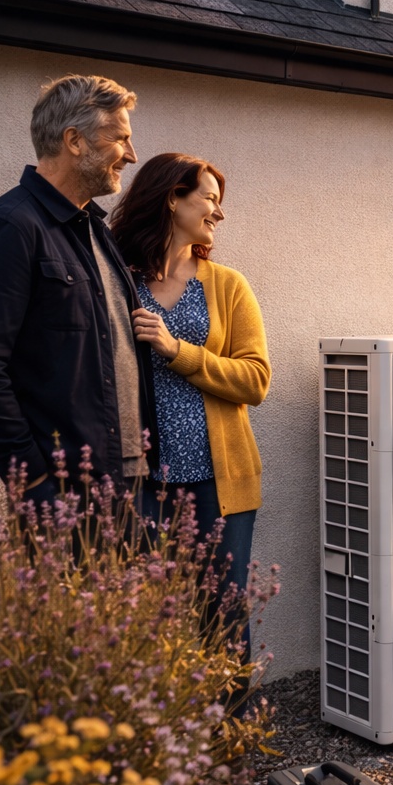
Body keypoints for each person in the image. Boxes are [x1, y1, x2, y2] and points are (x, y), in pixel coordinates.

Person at [0, 75, 154, 502]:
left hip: (128, 477)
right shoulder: (9, 229)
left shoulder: (95, 227)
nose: (131, 155)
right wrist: (34, 477)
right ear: (75, 141)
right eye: (121, 139)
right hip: (64, 488)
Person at [109, 153, 270, 661]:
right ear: (173, 198)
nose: (218, 213)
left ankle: (228, 733)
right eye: (209, 199)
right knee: (143, 618)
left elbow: (256, 378)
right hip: (140, 478)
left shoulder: (226, 285)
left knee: (222, 614)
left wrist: (178, 351)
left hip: (215, 480)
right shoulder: (117, 281)